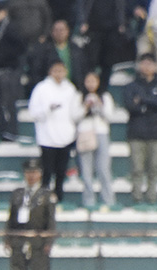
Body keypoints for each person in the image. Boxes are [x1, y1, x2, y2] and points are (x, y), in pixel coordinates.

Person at [28, 60, 82, 202]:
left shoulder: (70, 89)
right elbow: (33, 112)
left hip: (65, 137)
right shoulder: (41, 88)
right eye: (55, 71)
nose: (58, 74)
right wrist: (48, 109)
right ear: (50, 72)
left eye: (61, 71)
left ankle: (59, 198)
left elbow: (75, 112)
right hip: (47, 137)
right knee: (47, 171)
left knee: (61, 172)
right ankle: (44, 199)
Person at [7, 159, 55, 270]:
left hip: (38, 240)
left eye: (34, 172)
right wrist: (7, 238)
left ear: (40, 174)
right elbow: (11, 218)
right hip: (19, 239)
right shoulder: (18, 194)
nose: (31, 176)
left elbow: (51, 221)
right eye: (28, 172)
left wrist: (48, 241)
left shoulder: (46, 195)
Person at [124, 53, 157, 206]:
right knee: (137, 169)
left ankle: (152, 198)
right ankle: (136, 197)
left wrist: (143, 100)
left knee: (153, 169)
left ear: (156, 66)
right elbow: (131, 106)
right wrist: (150, 104)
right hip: (136, 133)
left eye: (150, 63)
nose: (147, 67)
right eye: (144, 63)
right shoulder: (131, 86)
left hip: (156, 133)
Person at [77, 71, 115, 208]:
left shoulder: (105, 96)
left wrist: (99, 104)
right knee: (86, 170)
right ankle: (88, 201)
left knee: (103, 168)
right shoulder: (78, 96)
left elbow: (109, 116)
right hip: (85, 133)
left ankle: (108, 200)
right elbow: (74, 116)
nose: (91, 84)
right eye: (88, 81)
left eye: (94, 81)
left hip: (101, 132)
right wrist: (85, 107)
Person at [0, 2, 22, 142]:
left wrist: (8, 58)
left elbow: (21, 45)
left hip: (7, 71)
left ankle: (11, 132)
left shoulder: (10, 27)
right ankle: (3, 130)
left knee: (8, 103)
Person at [76, 0, 127, 91]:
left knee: (107, 64)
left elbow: (121, 6)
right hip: (93, 30)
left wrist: (121, 22)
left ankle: (103, 91)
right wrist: (83, 21)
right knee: (90, 63)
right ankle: (87, 90)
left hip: (112, 30)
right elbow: (82, 5)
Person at [27, 20, 86, 93]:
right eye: (56, 30)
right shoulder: (44, 49)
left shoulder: (76, 49)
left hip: (73, 88)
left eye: (62, 30)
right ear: (52, 32)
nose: (59, 33)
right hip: (50, 90)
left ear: (67, 31)